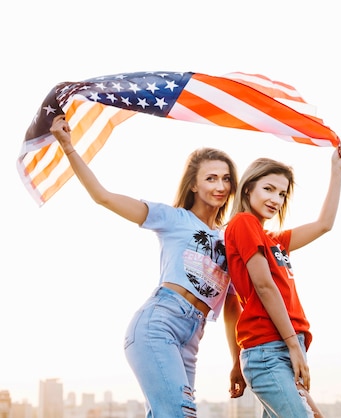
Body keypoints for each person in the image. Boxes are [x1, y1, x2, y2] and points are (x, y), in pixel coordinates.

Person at [49, 114, 246, 418]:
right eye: (211, 178)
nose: (220, 186)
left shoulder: (230, 239)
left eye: (225, 178)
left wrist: (237, 361)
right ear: (193, 184)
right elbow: (103, 197)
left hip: (192, 340)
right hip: (160, 324)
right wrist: (68, 146)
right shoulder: (172, 218)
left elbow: (232, 306)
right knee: (179, 414)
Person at [224, 141, 341, 417]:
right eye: (268, 189)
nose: (275, 199)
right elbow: (263, 285)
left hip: (284, 348)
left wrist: (337, 170)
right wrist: (293, 344)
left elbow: (323, 225)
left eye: (282, 194)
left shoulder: (274, 241)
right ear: (248, 188)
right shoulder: (243, 223)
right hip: (270, 350)